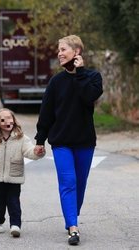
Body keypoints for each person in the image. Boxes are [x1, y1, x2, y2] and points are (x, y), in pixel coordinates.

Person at [34, 35, 103, 245]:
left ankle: (71, 217)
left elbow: (88, 97)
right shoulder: (56, 82)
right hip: (61, 142)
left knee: (80, 185)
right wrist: (40, 140)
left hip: (85, 142)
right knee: (68, 183)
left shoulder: (93, 77)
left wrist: (80, 73)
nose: (60, 53)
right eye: (59, 50)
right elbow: (46, 113)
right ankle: (73, 227)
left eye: (63, 49)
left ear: (77, 52)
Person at [0, 108, 45, 238]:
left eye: (10, 118)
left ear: (14, 120)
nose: (7, 122)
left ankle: (15, 225)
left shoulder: (21, 139)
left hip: (14, 177)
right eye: (2, 120)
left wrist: (37, 152)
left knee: (14, 201)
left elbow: (29, 151)